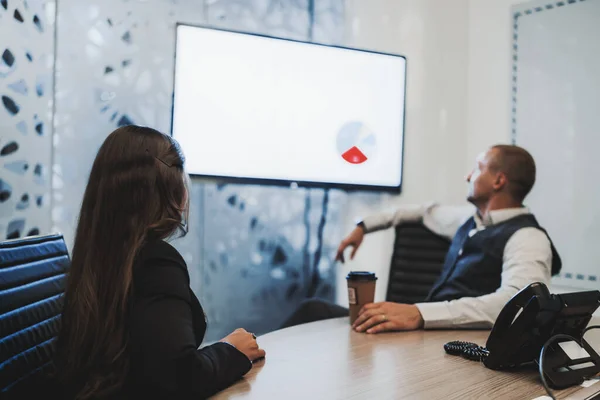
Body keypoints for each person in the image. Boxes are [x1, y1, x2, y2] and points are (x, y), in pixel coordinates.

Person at [52, 126, 265, 399]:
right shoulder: (155, 262)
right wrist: (231, 352)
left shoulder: (95, 258)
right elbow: (178, 378)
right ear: (171, 188)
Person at [282, 144, 561, 333]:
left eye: (477, 168)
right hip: (425, 332)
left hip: (449, 341)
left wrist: (420, 314)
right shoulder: (469, 219)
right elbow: (419, 212)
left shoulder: (528, 237)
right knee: (313, 310)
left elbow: (518, 304)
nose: (468, 175)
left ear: (498, 181)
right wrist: (363, 227)